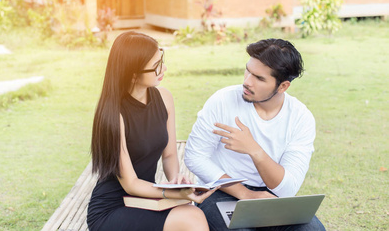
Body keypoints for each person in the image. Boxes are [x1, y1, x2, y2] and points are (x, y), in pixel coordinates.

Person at [184, 38, 325, 230]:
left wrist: (254, 150)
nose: (247, 82)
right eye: (248, 71)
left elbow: (287, 189)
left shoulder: (301, 118)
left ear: (282, 86)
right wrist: (244, 193)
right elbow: (195, 157)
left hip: (271, 196)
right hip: (221, 191)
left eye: (259, 78)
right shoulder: (223, 101)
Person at [87, 31, 216, 231]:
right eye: (155, 66)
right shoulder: (113, 115)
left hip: (146, 199)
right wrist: (174, 194)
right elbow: (130, 184)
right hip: (113, 207)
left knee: (191, 213)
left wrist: (176, 182)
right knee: (192, 217)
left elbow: (170, 154)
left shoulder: (164, 98)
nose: (163, 68)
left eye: (161, 59)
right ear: (132, 74)